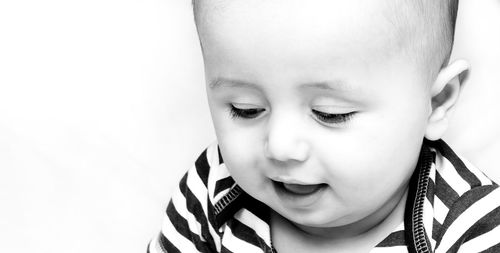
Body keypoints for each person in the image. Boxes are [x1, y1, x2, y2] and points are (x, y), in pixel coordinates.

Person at [149, 0, 500, 252]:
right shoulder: (214, 188)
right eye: (247, 109)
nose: (280, 146)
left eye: (330, 113)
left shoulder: (467, 225)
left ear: (435, 103)